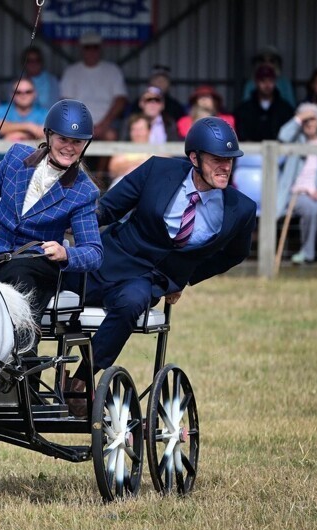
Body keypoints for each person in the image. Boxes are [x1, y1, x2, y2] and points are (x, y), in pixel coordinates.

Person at [66, 117, 256, 417]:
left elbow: (236, 254)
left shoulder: (241, 209)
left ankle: (80, 380)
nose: (226, 166)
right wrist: (66, 224)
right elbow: (108, 209)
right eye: (217, 159)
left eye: (230, 160)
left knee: (132, 303)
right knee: (44, 285)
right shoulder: (157, 170)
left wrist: (186, 277)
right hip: (107, 259)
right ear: (194, 158)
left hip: (148, 280)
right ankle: (20, 372)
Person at [0, 99, 103, 333]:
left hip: (31, 260)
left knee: (19, 282)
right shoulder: (16, 156)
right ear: (49, 135)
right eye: (63, 139)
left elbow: (93, 252)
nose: (69, 147)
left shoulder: (84, 191)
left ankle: (21, 355)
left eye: (77, 142)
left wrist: (65, 253)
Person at [277, 103, 317, 265]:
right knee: (310, 208)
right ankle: (307, 252)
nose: (309, 123)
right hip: (298, 192)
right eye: (305, 120)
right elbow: (283, 135)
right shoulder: (296, 140)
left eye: (312, 119)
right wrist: (299, 117)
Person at [59, 31, 127, 141]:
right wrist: (80, 125)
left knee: (111, 136)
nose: (91, 51)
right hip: (78, 124)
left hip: (107, 123)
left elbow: (121, 100)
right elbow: (66, 102)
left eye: (95, 47)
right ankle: (81, 159)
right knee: (71, 138)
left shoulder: (113, 70)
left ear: (101, 49)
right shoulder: (71, 71)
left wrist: (104, 124)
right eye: (87, 47)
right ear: (82, 49)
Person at [234, 63, 294, 142]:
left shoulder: (285, 108)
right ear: (256, 82)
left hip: (280, 152)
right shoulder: (244, 109)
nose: (267, 85)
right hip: (250, 152)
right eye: (263, 81)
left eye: (270, 81)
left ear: (275, 82)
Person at [107, 113, 151, 188]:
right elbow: (113, 170)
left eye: (140, 129)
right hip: (125, 184)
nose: (137, 133)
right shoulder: (124, 149)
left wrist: (129, 164)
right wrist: (144, 162)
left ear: (149, 131)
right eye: (134, 129)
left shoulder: (157, 149)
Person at [21, 45, 60, 111]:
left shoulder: (52, 81)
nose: (33, 63)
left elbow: (57, 104)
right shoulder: (18, 82)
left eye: (37, 60)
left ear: (41, 62)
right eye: (29, 60)